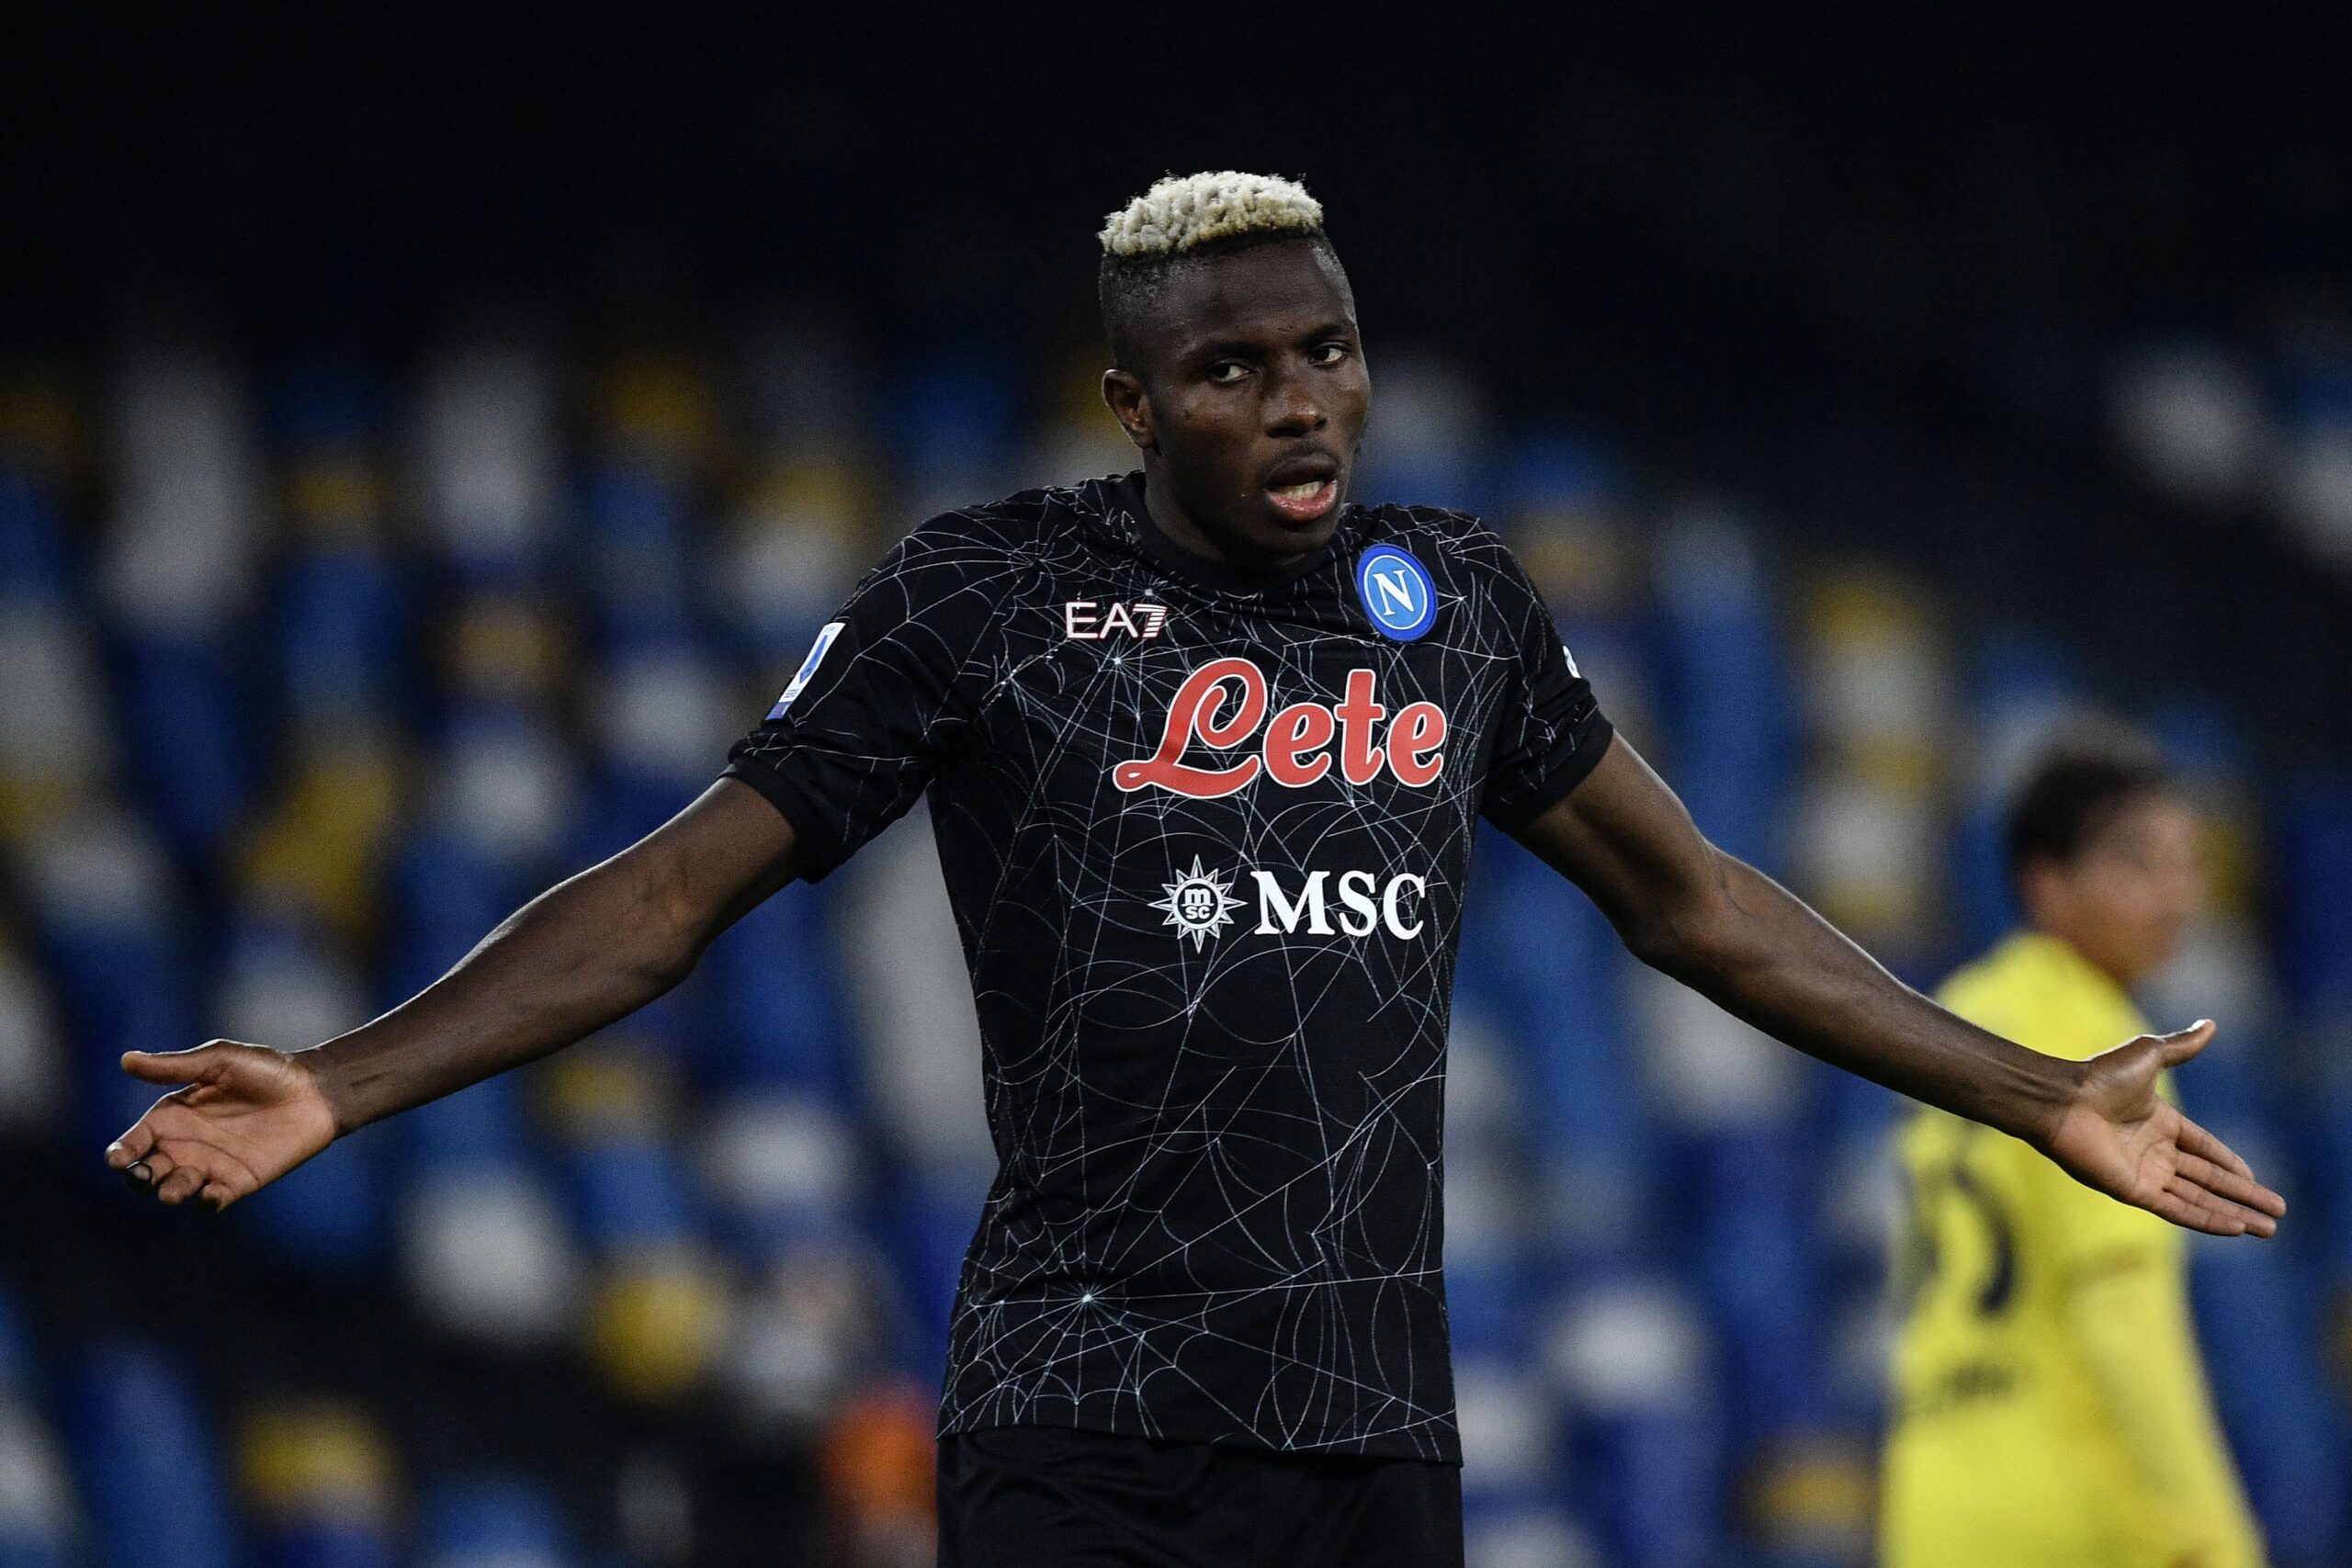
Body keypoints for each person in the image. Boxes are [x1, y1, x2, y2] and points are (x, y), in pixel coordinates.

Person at [105, 173, 2282, 1568]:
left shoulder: (1456, 604)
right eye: (1232, 368)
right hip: (1083, 1426)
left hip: (1369, 1432)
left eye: (1323, 348)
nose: (1300, 399)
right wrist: (343, 1077)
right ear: (1134, 406)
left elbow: (1693, 900)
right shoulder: (983, 601)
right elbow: (672, 897)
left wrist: (2033, 1090)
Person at [1881, 731, 2267, 1568]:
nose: (2178, 894)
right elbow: (2123, 1317)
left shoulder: (1958, 1019)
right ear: (2047, 884)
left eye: (2188, 862)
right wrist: (2213, 1534)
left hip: (1933, 1505)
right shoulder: (2099, 1045)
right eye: (2139, 864)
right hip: (2074, 1510)